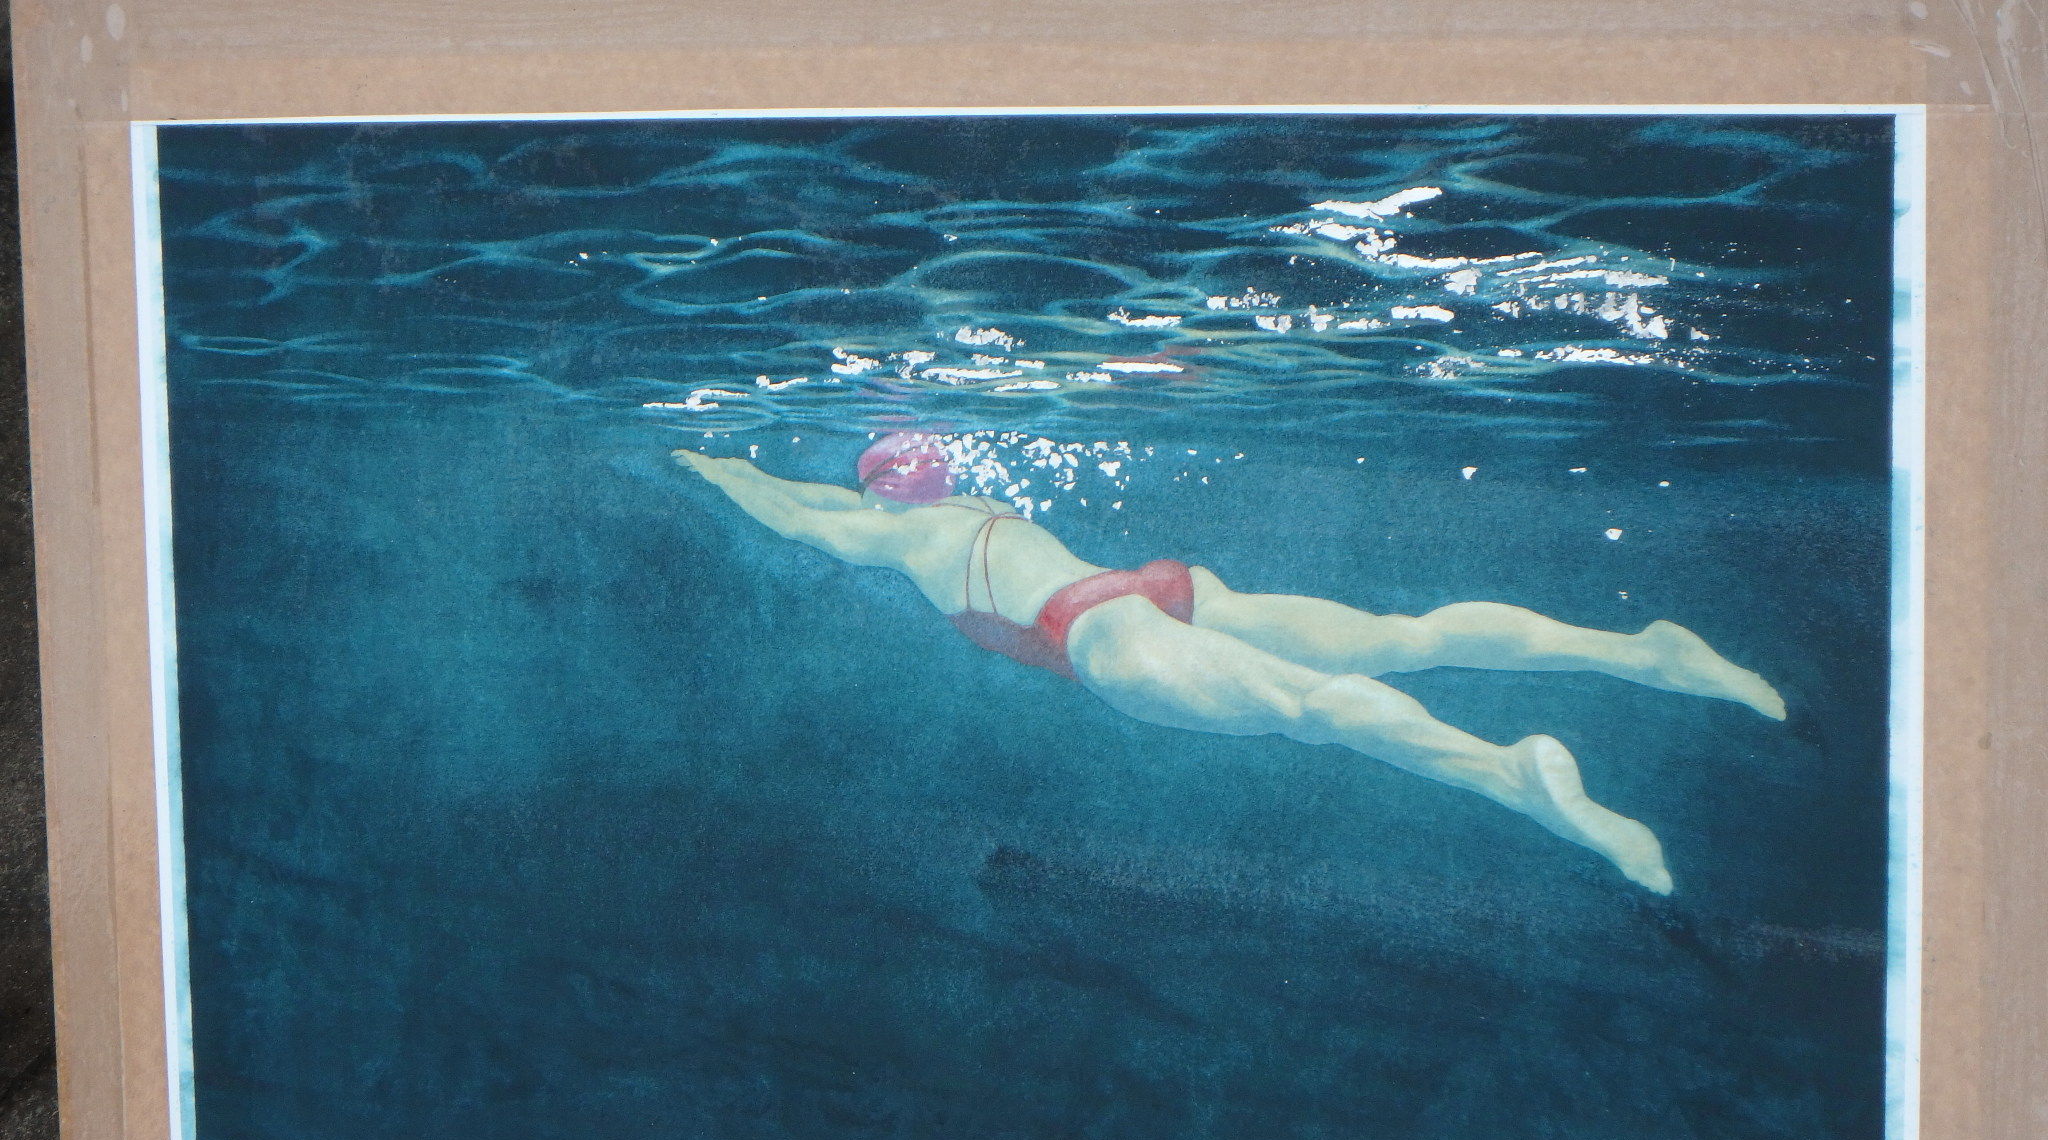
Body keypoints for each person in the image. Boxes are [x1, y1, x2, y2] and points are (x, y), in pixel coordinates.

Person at [673, 437, 1786, 894]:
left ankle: (1513, 775)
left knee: (1312, 708)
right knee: (1404, 633)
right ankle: (1641, 653)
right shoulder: (975, 507)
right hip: (1160, 585)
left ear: (877, 494)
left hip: (1098, 633)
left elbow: (798, 513)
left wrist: (718, 469)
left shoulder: (899, 535)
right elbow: (823, 498)